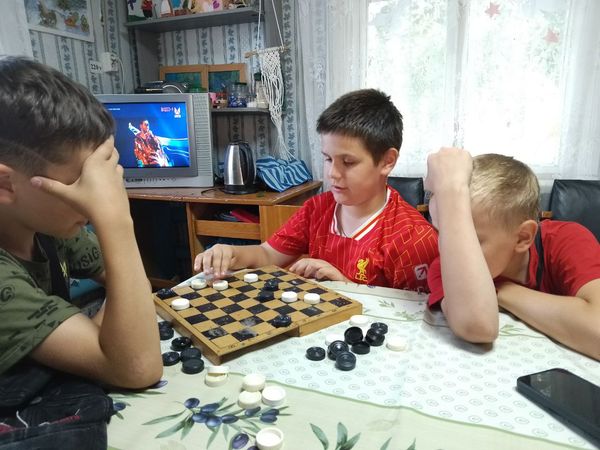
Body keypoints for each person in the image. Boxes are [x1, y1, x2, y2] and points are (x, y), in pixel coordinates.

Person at [0, 57, 162, 445]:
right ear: (6, 184)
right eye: (81, 183)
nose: (94, 198)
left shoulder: (46, 223)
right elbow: (137, 367)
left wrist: (106, 329)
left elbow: (132, 286)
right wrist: (115, 219)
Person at [195, 89, 438, 290]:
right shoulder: (317, 208)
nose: (332, 173)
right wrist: (230, 253)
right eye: (328, 159)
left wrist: (345, 288)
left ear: (387, 161)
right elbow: (268, 255)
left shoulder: (414, 239)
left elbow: (417, 321)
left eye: (348, 162)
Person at [425, 148, 600, 360]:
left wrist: (501, 291)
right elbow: (477, 326)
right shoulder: (445, 265)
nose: (450, 249)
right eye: (444, 233)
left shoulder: (567, 240)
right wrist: (450, 191)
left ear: (523, 237)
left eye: (472, 239)